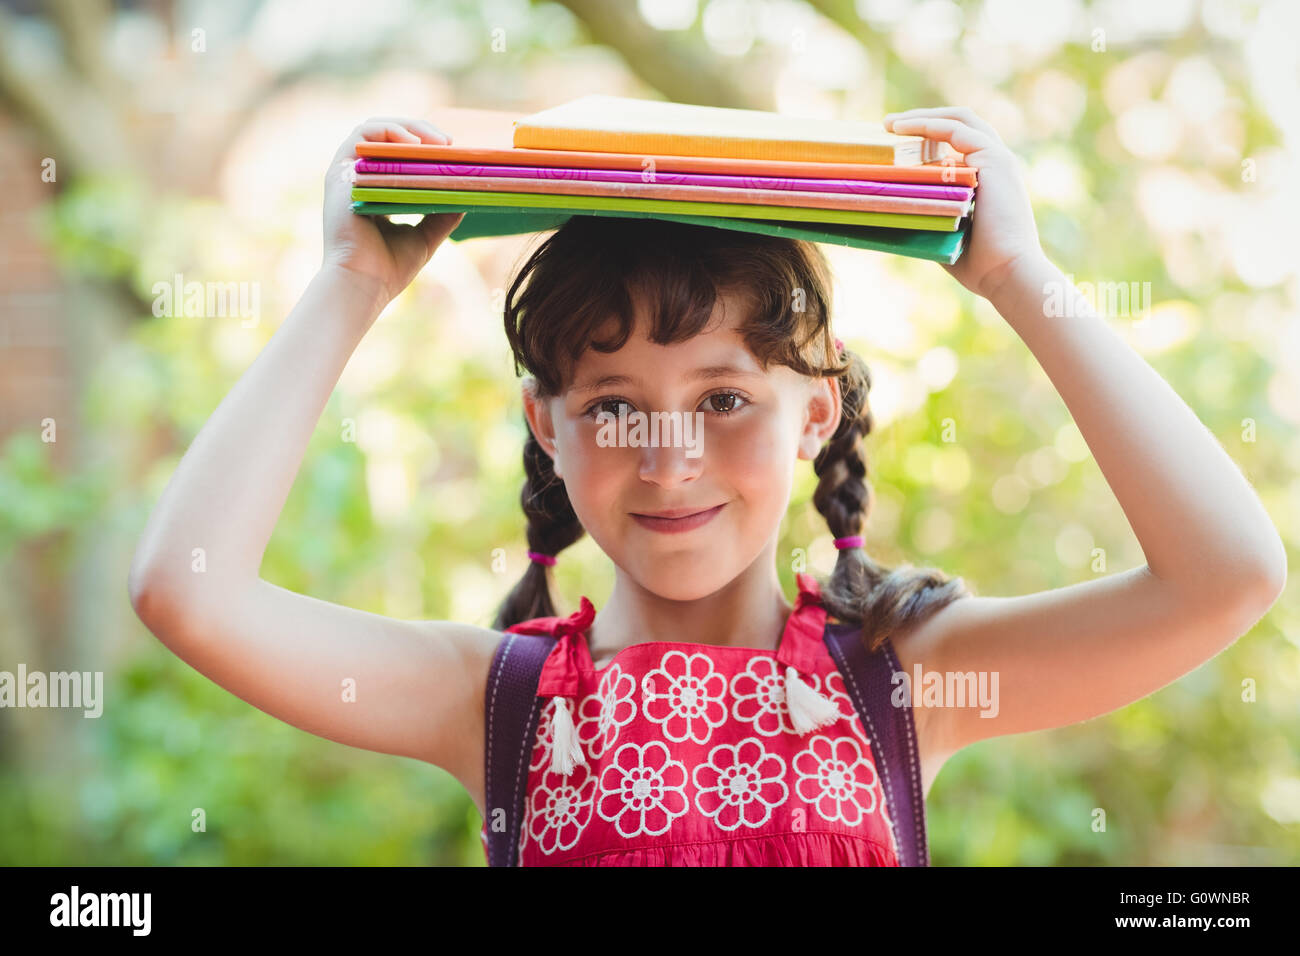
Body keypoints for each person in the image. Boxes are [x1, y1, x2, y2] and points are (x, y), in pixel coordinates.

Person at [128, 109, 1287, 866]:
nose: (668, 455)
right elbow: (188, 592)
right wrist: (350, 279)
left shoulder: (902, 682)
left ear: (814, 413)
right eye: (613, 403)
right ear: (546, 424)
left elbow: (1225, 575)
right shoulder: (496, 703)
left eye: (724, 398)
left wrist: (1020, 273)